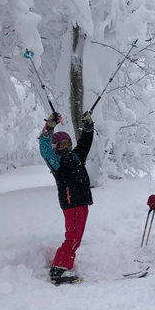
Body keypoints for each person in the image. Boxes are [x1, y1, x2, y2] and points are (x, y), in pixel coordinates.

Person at [39, 111, 94, 285]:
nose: (66, 148)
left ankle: (63, 264)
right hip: (72, 204)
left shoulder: (76, 157)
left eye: (68, 144)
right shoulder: (57, 163)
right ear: (56, 148)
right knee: (73, 238)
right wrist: (49, 128)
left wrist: (88, 127)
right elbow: (44, 149)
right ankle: (58, 270)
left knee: (75, 238)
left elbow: (85, 143)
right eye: (61, 145)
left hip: (82, 203)